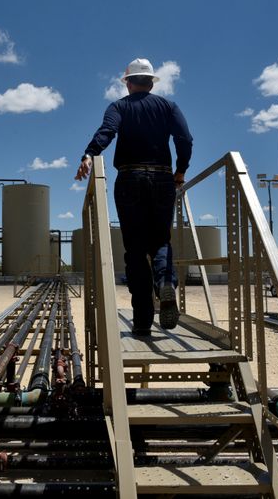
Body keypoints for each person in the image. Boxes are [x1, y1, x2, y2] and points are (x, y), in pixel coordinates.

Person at [75, 58, 193, 337]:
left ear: (128, 82)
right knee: (161, 241)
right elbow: (185, 139)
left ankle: (142, 321)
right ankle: (165, 283)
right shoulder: (168, 106)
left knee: (136, 250)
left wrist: (89, 154)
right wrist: (180, 170)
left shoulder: (119, 107)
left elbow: (107, 131)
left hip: (129, 178)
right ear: (151, 82)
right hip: (163, 177)